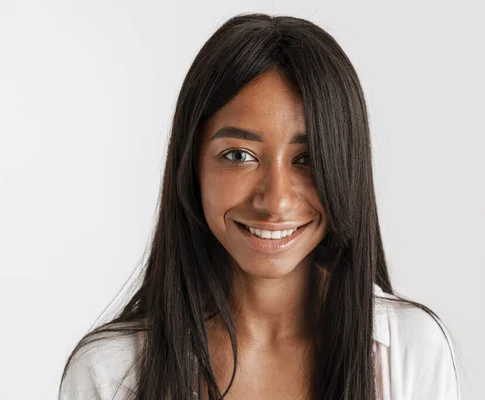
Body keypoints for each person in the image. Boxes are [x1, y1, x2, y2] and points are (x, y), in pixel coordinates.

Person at [59, 13, 460, 400]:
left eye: (309, 159)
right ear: (190, 165)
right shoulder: (109, 371)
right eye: (238, 155)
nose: (276, 201)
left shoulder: (410, 350)